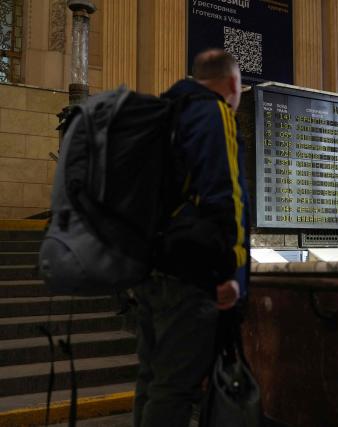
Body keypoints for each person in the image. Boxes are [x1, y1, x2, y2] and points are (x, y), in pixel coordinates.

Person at [133, 49, 250, 427]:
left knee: (152, 381)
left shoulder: (163, 112)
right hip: (190, 277)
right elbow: (224, 199)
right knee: (176, 390)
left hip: (151, 272)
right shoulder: (213, 112)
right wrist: (228, 273)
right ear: (234, 85)